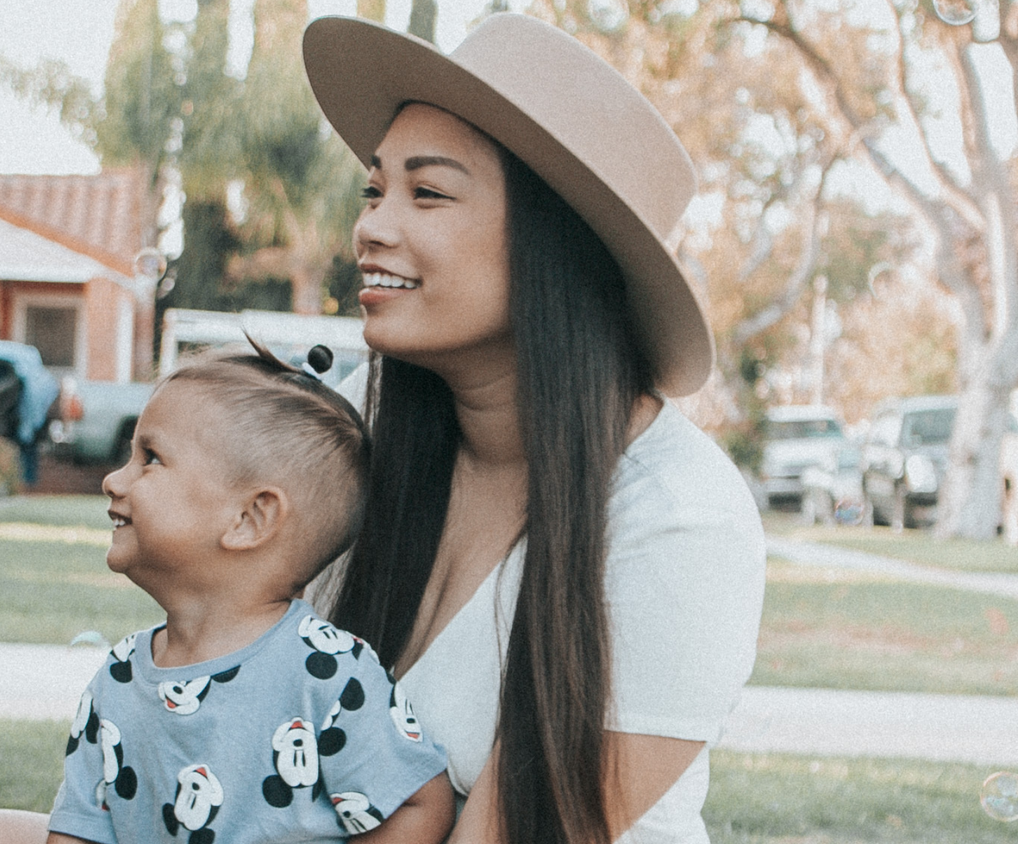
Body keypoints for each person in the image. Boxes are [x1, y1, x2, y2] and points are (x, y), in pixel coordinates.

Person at [298, 13, 765, 844]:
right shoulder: (369, 452)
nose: (371, 226)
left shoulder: (681, 515)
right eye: (374, 189)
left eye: (427, 192)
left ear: (556, 244)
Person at [0, 344, 454, 844]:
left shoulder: (328, 673)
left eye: (150, 458)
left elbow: (417, 802)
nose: (114, 480)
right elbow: (80, 827)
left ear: (249, 519)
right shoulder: (119, 677)